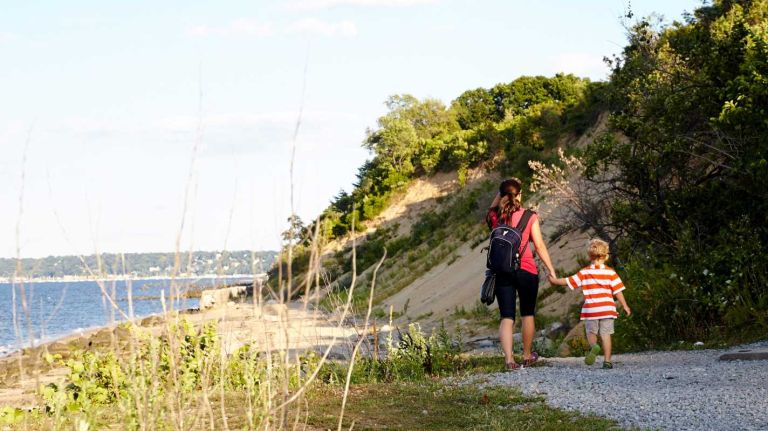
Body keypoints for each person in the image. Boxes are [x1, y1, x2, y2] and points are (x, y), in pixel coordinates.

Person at [486, 178, 557, 370]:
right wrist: (551, 270)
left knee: (506, 317)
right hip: (526, 269)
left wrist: (502, 193)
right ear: (520, 195)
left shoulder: (495, 217)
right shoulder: (530, 216)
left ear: (501, 195)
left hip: (503, 271)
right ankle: (527, 356)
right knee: (527, 314)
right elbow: (540, 246)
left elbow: (492, 208)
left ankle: (509, 360)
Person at [548, 239, 631, 369]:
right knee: (606, 334)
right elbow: (618, 291)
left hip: (592, 309)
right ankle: (607, 361)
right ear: (606, 256)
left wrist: (554, 281)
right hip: (607, 309)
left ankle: (594, 346)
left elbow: (568, 281)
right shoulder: (611, 273)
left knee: (591, 332)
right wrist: (625, 306)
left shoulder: (585, 272)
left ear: (589, 256)